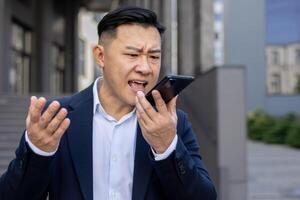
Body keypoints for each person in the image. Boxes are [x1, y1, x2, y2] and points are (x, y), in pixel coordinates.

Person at [0, 6, 217, 200]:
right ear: (100, 56)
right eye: (133, 54)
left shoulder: (173, 124)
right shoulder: (56, 118)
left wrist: (167, 147)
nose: (146, 68)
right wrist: (38, 153)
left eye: (154, 56)